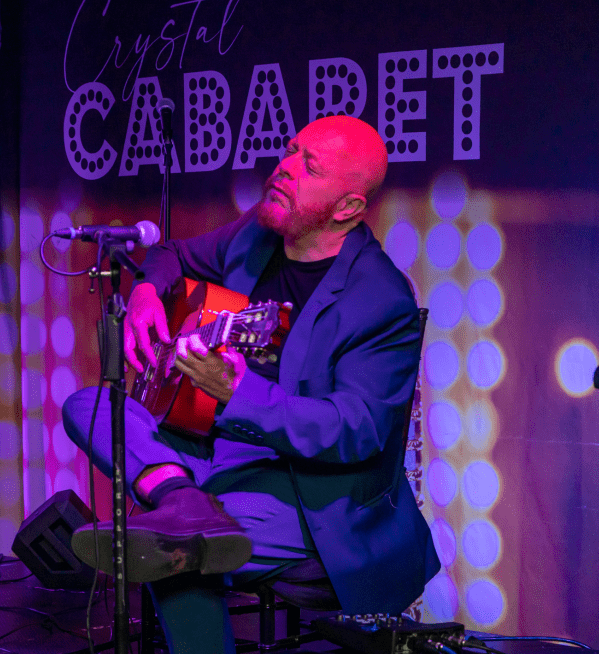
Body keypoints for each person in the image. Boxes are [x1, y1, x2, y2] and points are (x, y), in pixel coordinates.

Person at [62, 115, 440, 653]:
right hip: (210, 451)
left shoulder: (380, 300)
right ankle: (182, 499)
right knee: (90, 405)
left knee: (179, 550)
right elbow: (172, 255)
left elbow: (354, 429)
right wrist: (148, 291)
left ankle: (182, 514)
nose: (284, 169)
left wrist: (238, 395)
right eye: (290, 153)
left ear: (348, 208)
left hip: (309, 492)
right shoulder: (260, 233)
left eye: (309, 168)